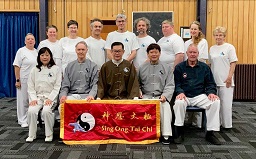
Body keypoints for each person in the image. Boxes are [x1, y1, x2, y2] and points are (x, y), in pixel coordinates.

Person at [173, 44, 221, 145]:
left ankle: (210, 133)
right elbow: (176, 84)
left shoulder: (205, 68)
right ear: (187, 53)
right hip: (184, 95)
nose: (192, 54)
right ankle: (179, 132)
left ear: (198, 54)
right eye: (190, 52)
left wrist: (211, 93)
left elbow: (210, 83)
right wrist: (180, 92)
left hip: (200, 95)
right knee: (179, 103)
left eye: (194, 52)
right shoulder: (179, 67)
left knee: (215, 101)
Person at [138, 43, 174, 145]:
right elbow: (137, 83)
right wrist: (139, 92)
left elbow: (170, 84)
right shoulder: (142, 67)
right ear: (147, 54)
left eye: (156, 52)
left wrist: (165, 96)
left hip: (160, 96)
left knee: (166, 107)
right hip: (146, 96)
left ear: (160, 53)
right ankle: (144, 134)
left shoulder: (166, 68)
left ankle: (166, 136)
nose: (154, 54)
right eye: (151, 52)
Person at [26, 47, 62, 142]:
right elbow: (30, 86)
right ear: (39, 57)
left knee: (46, 111)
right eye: (42, 55)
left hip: (50, 98)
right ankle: (31, 134)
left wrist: (50, 98)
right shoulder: (34, 70)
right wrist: (33, 99)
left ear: (50, 57)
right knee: (31, 111)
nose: (44, 57)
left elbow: (57, 86)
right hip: (37, 98)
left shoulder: (56, 69)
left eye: (47, 55)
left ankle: (49, 134)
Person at [209, 26, 238, 131]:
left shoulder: (229, 47)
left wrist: (230, 77)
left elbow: (233, 63)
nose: (218, 37)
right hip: (214, 81)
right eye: (216, 35)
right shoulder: (212, 48)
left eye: (220, 35)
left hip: (226, 81)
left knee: (226, 105)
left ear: (224, 36)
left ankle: (227, 126)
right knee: (215, 105)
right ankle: (216, 124)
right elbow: (211, 64)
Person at [184, 21, 209, 128]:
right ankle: (189, 121)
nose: (193, 31)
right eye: (192, 29)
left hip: (199, 70)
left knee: (198, 94)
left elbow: (201, 58)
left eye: (195, 29)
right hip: (188, 69)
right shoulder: (186, 43)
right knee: (188, 93)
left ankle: (197, 123)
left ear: (199, 30)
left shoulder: (203, 42)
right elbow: (186, 57)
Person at [59, 41, 98, 105]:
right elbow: (65, 85)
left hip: (87, 96)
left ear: (86, 50)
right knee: (62, 107)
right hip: (72, 95)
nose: (81, 52)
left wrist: (91, 95)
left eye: (83, 50)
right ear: (75, 50)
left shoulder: (93, 66)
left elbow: (94, 84)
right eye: (79, 50)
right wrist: (63, 95)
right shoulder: (69, 66)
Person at [13, 33, 38, 128]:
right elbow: (17, 65)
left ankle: (30, 119)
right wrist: (17, 79)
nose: (30, 40)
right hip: (23, 79)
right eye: (28, 39)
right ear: (25, 41)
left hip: (34, 80)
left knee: (32, 100)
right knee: (23, 100)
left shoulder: (36, 52)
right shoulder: (21, 51)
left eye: (32, 39)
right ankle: (22, 120)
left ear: (35, 41)